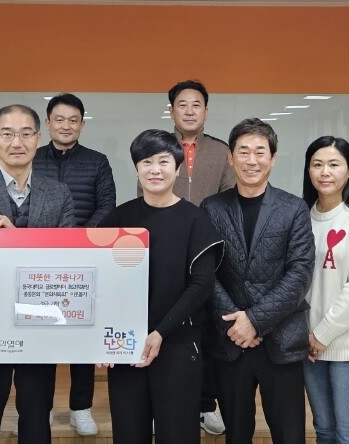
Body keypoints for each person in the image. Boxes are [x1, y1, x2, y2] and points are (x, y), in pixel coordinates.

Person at [0, 104, 75, 444]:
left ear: (38, 138)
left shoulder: (59, 193)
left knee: (37, 416)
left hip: (41, 319)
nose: (16, 142)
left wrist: (12, 239)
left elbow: (66, 259)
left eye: (25, 134)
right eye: (7, 134)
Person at [97, 129, 223, 443]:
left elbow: (202, 284)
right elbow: (100, 282)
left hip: (178, 345)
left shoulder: (196, 220)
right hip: (126, 346)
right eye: (146, 162)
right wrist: (100, 339)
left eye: (163, 162)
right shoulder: (118, 218)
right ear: (136, 169)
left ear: (178, 168)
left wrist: (161, 332)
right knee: (129, 433)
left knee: (178, 435)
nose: (155, 169)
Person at [201, 118, 315, 444]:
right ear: (230, 157)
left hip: (281, 340)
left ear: (273, 158)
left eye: (260, 152)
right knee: (236, 434)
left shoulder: (294, 209)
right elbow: (206, 272)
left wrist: (254, 320)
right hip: (231, 342)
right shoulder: (211, 208)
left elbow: (300, 273)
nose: (252, 160)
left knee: (289, 434)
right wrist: (237, 324)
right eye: (244, 151)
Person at [29, 93, 116, 436]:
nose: (66, 126)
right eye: (59, 119)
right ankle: (41, 408)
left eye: (73, 120)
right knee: (41, 334)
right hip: (39, 261)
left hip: (85, 259)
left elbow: (107, 206)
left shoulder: (97, 162)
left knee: (83, 334)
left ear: (82, 124)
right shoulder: (31, 158)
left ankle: (81, 408)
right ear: (48, 122)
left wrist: (79, 239)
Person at [301, 136, 349, 444]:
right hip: (308, 346)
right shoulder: (301, 216)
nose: (325, 172)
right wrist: (309, 337)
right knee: (324, 431)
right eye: (317, 164)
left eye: (334, 164)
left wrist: (322, 334)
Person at [168, 79, 234, 435]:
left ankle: (207, 404)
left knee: (208, 333)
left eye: (196, 104)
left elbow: (229, 202)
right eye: (182, 104)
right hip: (168, 253)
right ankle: (166, 404)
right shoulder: (160, 147)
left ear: (206, 112)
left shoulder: (222, 151)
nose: (190, 110)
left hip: (209, 253)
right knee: (168, 330)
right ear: (172, 111)